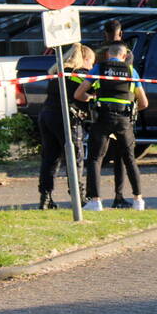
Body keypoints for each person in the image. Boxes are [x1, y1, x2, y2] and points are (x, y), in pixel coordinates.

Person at [74, 43, 149, 211]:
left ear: (108, 55)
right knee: (129, 159)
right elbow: (144, 103)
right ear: (124, 56)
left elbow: (78, 94)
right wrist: (131, 105)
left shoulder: (99, 68)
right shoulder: (131, 71)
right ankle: (138, 200)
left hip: (102, 117)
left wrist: (92, 99)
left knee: (95, 159)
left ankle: (95, 201)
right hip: (123, 119)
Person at [37, 43, 95, 209]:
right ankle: (79, 196)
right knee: (75, 157)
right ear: (84, 59)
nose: (91, 66)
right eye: (91, 62)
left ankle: (45, 198)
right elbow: (89, 93)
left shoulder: (57, 72)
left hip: (46, 115)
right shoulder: (79, 74)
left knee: (50, 158)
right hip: (66, 118)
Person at [95, 19, 134, 207]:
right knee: (121, 157)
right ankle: (119, 196)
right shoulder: (127, 53)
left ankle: (92, 196)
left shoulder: (98, 53)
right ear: (121, 33)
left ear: (105, 34)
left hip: (101, 110)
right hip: (123, 111)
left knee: (97, 157)